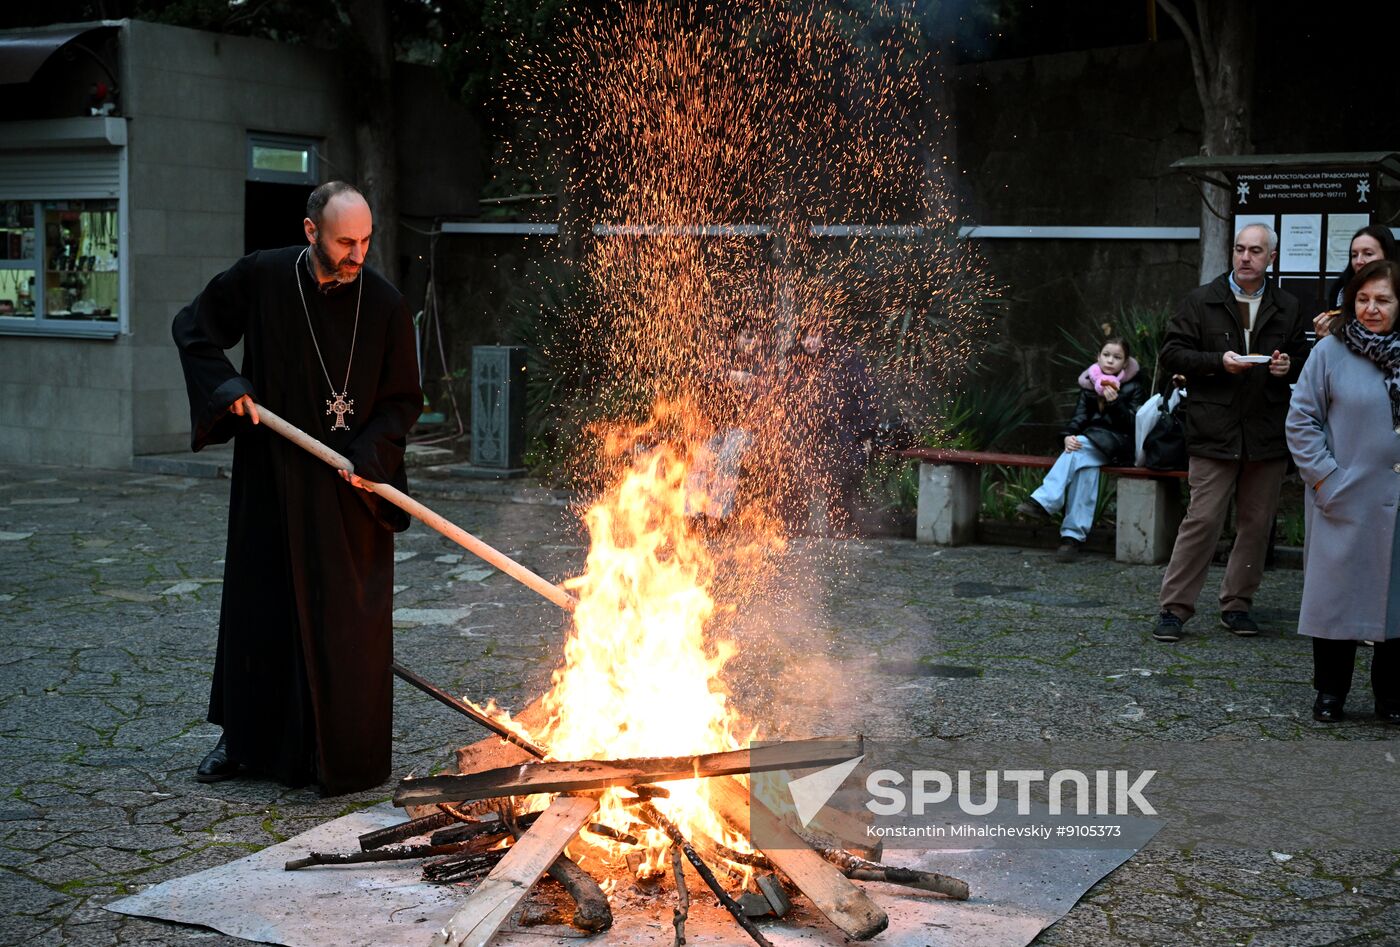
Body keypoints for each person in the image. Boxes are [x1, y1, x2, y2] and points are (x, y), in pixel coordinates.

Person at [172, 182, 422, 793]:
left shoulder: (386, 306)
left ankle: (340, 751)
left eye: (366, 240)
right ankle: (245, 741)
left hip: (347, 490)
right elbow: (193, 329)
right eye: (344, 241)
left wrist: (369, 456)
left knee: (345, 621)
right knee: (262, 607)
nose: (358, 254)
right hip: (272, 478)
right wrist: (227, 387)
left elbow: (401, 402)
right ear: (311, 232)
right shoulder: (263, 277)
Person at [1151, 222, 1309, 642]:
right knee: (1202, 519)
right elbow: (1171, 352)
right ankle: (1174, 608)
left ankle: (1238, 604)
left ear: (1271, 258)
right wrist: (1218, 361)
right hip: (1213, 429)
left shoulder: (1288, 305)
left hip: (1265, 431)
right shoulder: (1202, 300)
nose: (1245, 257)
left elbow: (1302, 355)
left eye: (1255, 251)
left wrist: (1286, 366)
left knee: (1257, 524)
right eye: (1240, 249)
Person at [1286, 259, 1400, 723]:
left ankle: (1391, 697)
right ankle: (1330, 691)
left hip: (1396, 497)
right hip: (1344, 495)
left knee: (1397, 602)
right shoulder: (1330, 352)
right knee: (1336, 599)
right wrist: (1325, 479)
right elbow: (1301, 420)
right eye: (1363, 299)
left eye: (1384, 300)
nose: (1371, 309)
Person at [1017, 336, 1144, 561]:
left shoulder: (1133, 386)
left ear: (1125, 363)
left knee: (1080, 447)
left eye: (1117, 357)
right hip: (1090, 447)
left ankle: (1046, 500)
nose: (1110, 361)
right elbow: (1079, 418)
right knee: (1082, 463)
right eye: (1106, 355)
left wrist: (1115, 403)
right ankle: (1072, 539)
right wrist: (1067, 436)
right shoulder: (1088, 385)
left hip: (1119, 447)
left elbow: (1134, 425)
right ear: (1098, 357)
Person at [777, 319, 879, 537]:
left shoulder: (846, 358)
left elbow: (867, 396)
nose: (810, 342)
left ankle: (842, 525)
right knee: (792, 468)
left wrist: (865, 432)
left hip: (844, 432)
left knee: (840, 472)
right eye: (806, 336)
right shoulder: (795, 360)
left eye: (815, 335)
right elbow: (786, 399)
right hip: (805, 434)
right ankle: (796, 525)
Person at [1312, 225, 1396, 338]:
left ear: (1387, 255)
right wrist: (1325, 337)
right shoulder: (1341, 289)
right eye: (1354, 255)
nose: (1359, 261)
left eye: (1368, 254)